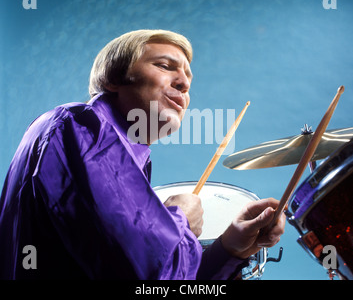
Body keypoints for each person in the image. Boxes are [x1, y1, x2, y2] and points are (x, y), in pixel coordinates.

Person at [0, 29, 285, 280]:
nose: (184, 84)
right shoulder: (81, 126)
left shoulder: (127, 158)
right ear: (114, 79)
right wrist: (181, 219)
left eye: (188, 78)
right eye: (165, 66)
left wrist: (230, 249)